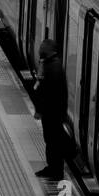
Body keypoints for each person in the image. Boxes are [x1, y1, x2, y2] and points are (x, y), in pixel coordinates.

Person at [33, 39, 71, 180]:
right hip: (52, 113)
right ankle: (52, 167)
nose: (40, 50)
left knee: (53, 142)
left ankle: (55, 171)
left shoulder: (54, 68)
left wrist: (40, 109)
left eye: (42, 47)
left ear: (50, 49)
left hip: (53, 113)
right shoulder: (50, 64)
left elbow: (48, 93)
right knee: (51, 141)